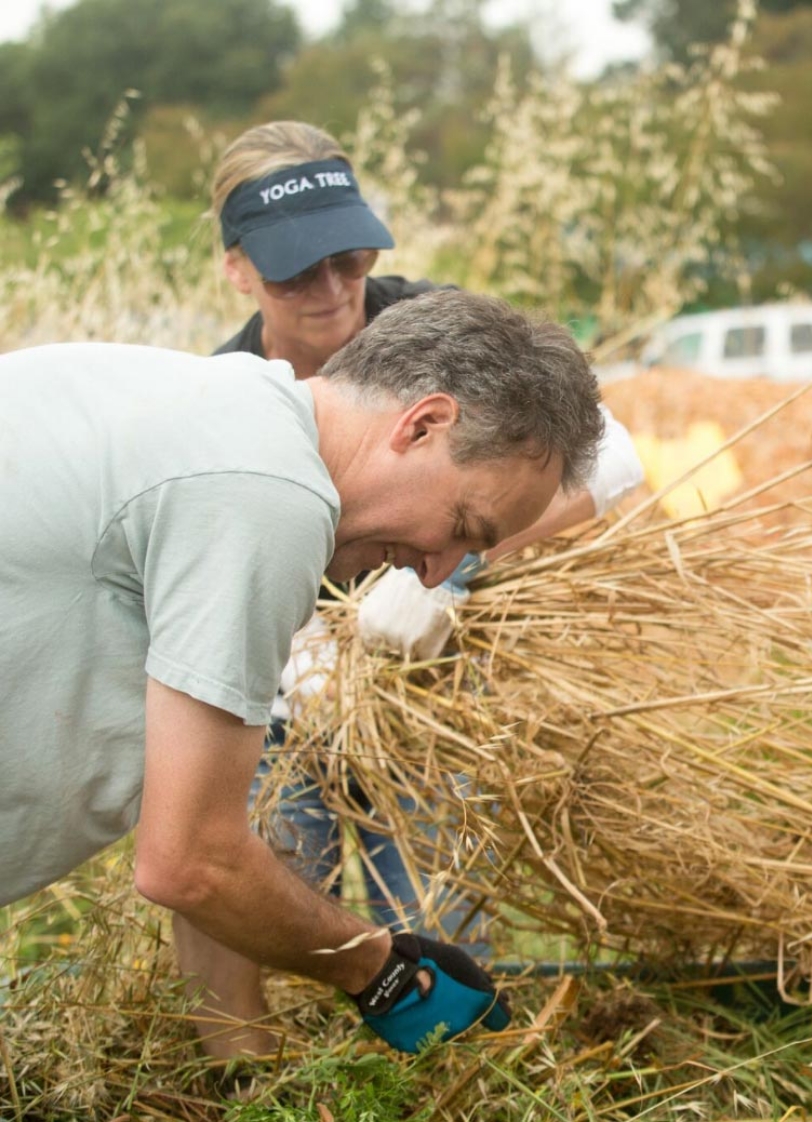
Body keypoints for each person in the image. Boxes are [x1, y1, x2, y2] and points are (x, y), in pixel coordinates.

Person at [0, 288, 605, 1059]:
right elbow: (191, 862)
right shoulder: (271, 495)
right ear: (423, 424)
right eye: (461, 528)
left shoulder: (217, 403)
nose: (435, 573)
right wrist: (383, 968)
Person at [172, 120, 645, 1057]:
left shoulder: (437, 333)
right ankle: (247, 1083)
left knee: (434, 905)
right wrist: (310, 646)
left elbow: (611, 458)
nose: (333, 290)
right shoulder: (227, 393)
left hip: (427, 698)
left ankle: (444, 1070)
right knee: (262, 883)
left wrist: (453, 563)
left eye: (349, 258)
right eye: (295, 272)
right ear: (235, 270)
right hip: (285, 694)